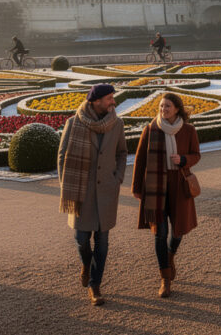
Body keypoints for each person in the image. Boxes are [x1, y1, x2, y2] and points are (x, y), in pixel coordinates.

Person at [57, 84, 127, 306]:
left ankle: (95, 286)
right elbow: (62, 155)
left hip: (106, 190)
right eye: (109, 98)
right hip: (81, 191)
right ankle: (86, 264)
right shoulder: (74, 123)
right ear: (96, 101)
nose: (113, 102)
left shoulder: (117, 124)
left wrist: (117, 178)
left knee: (103, 243)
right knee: (81, 240)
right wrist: (66, 183)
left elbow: (122, 152)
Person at [132, 92, 201, 298]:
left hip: (179, 185)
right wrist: (137, 188)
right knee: (160, 233)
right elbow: (140, 161)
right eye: (161, 106)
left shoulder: (188, 130)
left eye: (168, 106)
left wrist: (183, 159)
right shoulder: (151, 129)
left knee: (178, 231)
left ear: (177, 109)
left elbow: (196, 155)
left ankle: (170, 256)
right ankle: (165, 277)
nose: (163, 110)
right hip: (157, 186)